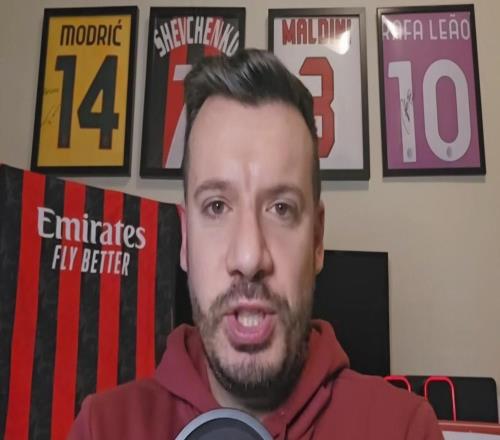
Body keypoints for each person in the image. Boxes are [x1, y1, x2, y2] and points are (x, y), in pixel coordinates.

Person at [68, 49, 443, 439]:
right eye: (216, 206)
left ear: (317, 240)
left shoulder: (405, 430)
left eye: (281, 208)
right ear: (185, 239)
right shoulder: (102, 429)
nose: (249, 258)